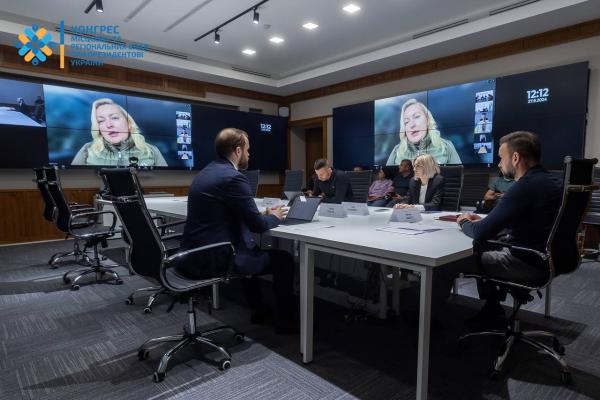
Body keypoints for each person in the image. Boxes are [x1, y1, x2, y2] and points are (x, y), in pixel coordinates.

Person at [432, 131, 562, 328]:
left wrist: (464, 221)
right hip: (550, 259)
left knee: (444, 264)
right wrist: (487, 221)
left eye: (501, 158)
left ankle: (427, 321)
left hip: (524, 262)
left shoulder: (523, 187)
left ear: (515, 158)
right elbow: (533, 221)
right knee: (484, 246)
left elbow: (479, 232)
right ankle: (492, 309)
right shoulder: (553, 182)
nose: (499, 164)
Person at [178, 128, 296, 333]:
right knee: (283, 260)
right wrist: (274, 217)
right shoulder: (233, 177)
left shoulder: (205, 173)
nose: (249, 154)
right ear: (238, 151)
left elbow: (227, 211)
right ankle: (286, 321)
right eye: (248, 150)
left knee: (250, 247)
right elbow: (257, 226)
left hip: (194, 254)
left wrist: (261, 213)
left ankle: (258, 308)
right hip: (216, 258)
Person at [72, 98, 168, 167]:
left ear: (128, 123)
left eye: (114, 118)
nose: (109, 125)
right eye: (101, 121)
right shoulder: (87, 150)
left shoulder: (151, 151)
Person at [386, 99, 462, 166]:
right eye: (406, 122)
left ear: (427, 120)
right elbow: (386, 176)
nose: (412, 125)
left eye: (416, 117)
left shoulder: (446, 147)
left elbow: (457, 175)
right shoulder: (396, 151)